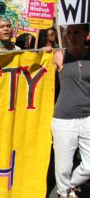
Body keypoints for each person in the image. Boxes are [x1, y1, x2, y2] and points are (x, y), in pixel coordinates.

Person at [49, 23, 90, 198]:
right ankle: (63, 193)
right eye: (69, 33)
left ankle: (67, 187)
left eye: (76, 33)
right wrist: (45, 55)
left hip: (88, 117)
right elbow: (44, 78)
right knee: (63, 167)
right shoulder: (60, 55)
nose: (72, 37)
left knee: (88, 166)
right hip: (64, 120)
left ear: (86, 34)